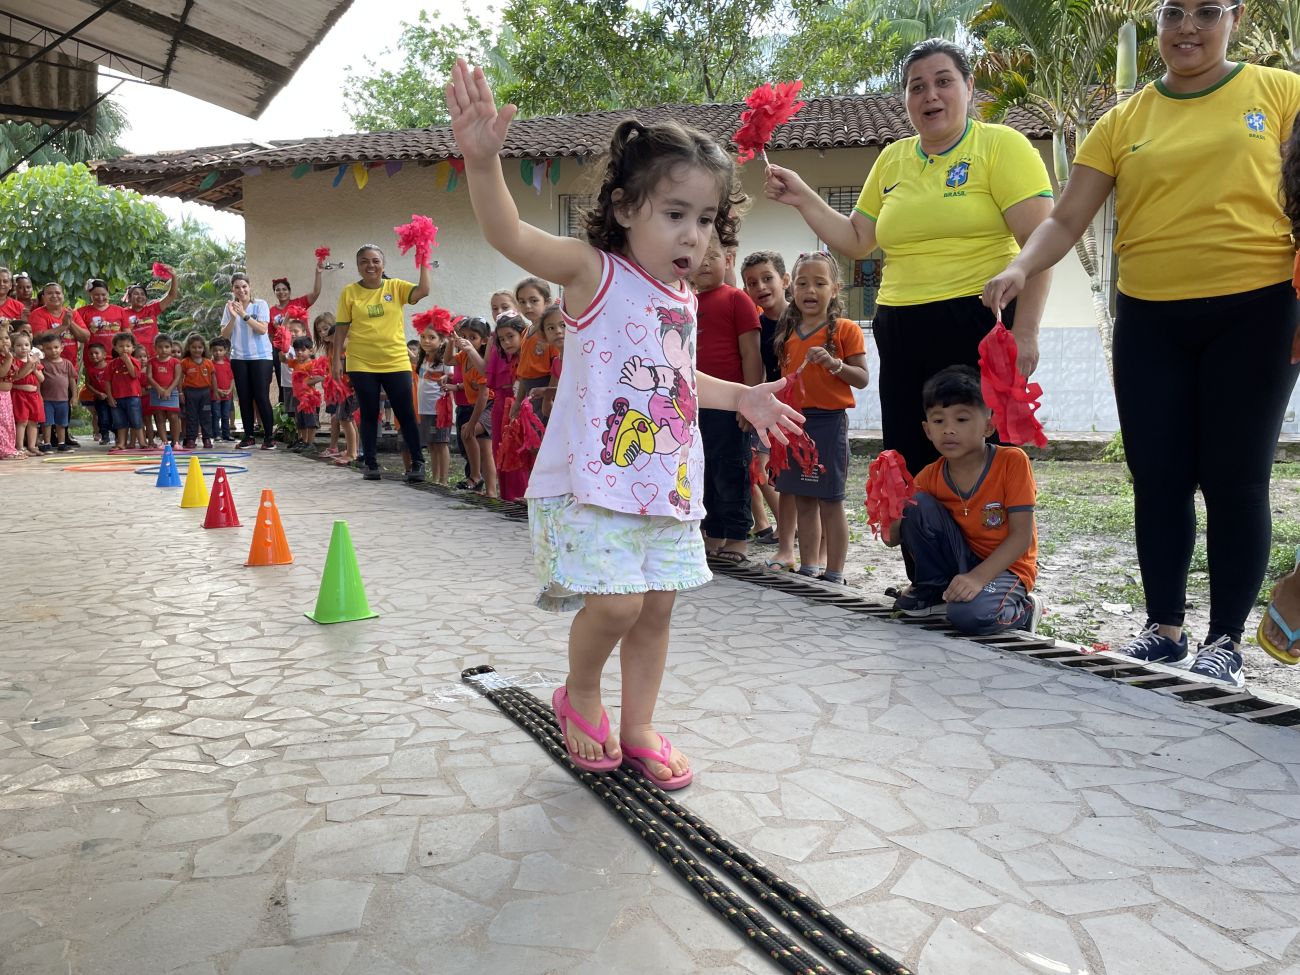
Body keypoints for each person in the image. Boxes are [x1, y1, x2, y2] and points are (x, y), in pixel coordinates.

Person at [447, 58, 801, 786]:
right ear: (626, 207)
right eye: (675, 214)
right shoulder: (594, 273)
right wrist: (483, 163)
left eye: (706, 219)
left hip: (665, 484)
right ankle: (580, 694)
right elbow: (508, 232)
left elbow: (677, 380)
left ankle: (638, 724)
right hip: (595, 483)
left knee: (656, 609)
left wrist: (743, 397)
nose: (693, 234)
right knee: (616, 606)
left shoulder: (682, 298)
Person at [983, 2, 1300, 688]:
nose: (1188, 27)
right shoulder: (1123, 120)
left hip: (1258, 309)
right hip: (1150, 318)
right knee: (1157, 477)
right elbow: (1066, 218)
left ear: (1236, 18)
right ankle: (1164, 630)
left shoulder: (1280, 92)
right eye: (1172, 13)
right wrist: (1021, 266)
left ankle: (1224, 640)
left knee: (1236, 477)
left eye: (1207, 12)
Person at [765, 38, 1053, 477]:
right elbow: (857, 238)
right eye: (917, 87)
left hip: (977, 320)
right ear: (905, 99)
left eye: (943, 82)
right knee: (911, 458)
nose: (930, 95)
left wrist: (1026, 332)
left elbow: (1040, 244)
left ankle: (987, 526)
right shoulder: (892, 159)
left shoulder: (1002, 146)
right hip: (900, 325)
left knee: (979, 461)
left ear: (969, 87)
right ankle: (918, 527)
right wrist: (803, 196)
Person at [885, 366, 1043, 633]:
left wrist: (978, 577)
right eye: (939, 421)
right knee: (916, 503)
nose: (948, 430)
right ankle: (933, 591)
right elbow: (892, 540)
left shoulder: (1011, 462)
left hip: (1008, 567)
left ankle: (1025, 610)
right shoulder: (929, 476)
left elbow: (1021, 537)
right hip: (962, 561)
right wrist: (889, 501)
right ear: (927, 430)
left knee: (969, 615)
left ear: (988, 426)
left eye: (961, 419)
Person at [772, 252, 868, 584]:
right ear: (792, 289)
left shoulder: (846, 329)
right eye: (802, 283)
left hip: (829, 423)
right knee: (803, 499)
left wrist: (834, 364)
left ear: (835, 289)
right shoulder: (788, 332)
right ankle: (809, 567)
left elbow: (862, 378)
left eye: (819, 283)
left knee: (830, 500)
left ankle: (835, 572)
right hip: (795, 423)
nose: (810, 290)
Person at [330, 245, 431, 482]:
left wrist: (424, 258)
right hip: (361, 362)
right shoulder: (349, 292)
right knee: (369, 412)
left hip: (396, 360)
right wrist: (336, 360)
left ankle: (417, 463)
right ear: (358, 266)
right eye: (364, 261)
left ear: (383, 264)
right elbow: (342, 328)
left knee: (405, 412)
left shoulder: (395, 287)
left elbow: (423, 290)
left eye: (375, 261)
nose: (370, 265)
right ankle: (371, 463)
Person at [692, 233, 762, 564]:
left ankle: (737, 537)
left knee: (730, 470)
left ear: (728, 260)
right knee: (702, 470)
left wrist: (749, 401)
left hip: (730, 406)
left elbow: (751, 354)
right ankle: (713, 533)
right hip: (693, 405)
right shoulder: (686, 302)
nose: (705, 263)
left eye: (713, 256)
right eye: (698, 256)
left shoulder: (737, 299)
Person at [740, 250, 789, 555]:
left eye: (767, 278)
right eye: (752, 282)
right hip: (769, 409)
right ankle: (785, 527)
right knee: (764, 467)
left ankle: (808, 535)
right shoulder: (756, 326)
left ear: (785, 280)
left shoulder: (801, 318)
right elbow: (756, 367)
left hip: (803, 409)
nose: (760, 287)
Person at [219, 273, 275, 450]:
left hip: (261, 357)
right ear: (232, 289)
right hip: (239, 358)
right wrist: (233, 316)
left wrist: (243, 314)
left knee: (261, 396)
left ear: (249, 287)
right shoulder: (229, 307)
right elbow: (225, 335)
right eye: (237, 287)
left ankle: (269, 437)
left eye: (244, 286)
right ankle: (248, 436)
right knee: (244, 398)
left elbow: (262, 330)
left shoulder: (260, 304)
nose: (241, 290)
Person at [450, 317, 496, 495]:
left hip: (489, 405)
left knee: (466, 431)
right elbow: (448, 360)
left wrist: (472, 423)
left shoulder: (480, 362)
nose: (466, 340)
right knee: (485, 450)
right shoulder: (464, 356)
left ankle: (475, 476)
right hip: (477, 405)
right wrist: (450, 341)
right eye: (463, 336)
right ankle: (490, 492)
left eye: (472, 337)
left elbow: (484, 395)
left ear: (484, 340)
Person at [270, 261, 325, 408]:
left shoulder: (299, 302)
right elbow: (271, 335)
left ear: (289, 291)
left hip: (304, 348)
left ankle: (311, 411)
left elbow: (316, 293)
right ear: (274, 292)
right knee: (287, 385)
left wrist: (318, 273)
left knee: (308, 382)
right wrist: (276, 352)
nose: (281, 292)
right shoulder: (271, 311)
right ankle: (291, 415)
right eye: (277, 290)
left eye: (284, 289)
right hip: (285, 351)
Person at [486, 313, 525, 499]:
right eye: (502, 339)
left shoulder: (530, 354)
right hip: (501, 406)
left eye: (511, 336)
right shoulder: (501, 355)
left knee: (518, 451)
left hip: (520, 407)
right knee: (501, 450)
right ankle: (507, 497)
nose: (507, 342)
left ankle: (521, 495)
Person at [415, 318, 455, 485]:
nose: (426, 341)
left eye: (431, 337)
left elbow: (451, 376)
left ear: (442, 340)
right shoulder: (423, 358)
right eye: (423, 337)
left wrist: (445, 378)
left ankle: (443, 480)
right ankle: (435, 478)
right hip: (425, 409)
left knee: (441, 443)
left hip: (439, 409)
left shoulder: (445, 359)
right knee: (431, 444)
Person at [120, 271, 178, 358]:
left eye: (142, 294)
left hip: (155, 355)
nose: (140, 296)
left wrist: (174, 276)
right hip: (135, 356)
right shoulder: (122, 313)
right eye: (136, 294)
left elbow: (171, 296)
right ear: (129, 298)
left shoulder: (152, 309)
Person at [36, 331, 76, 452]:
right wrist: (39, 395)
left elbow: (72, 381)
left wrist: (74, 396)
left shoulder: (67, 363)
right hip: (47, 400)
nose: (53, 351)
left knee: (61, 423)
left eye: (56, 347)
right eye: (48, 348)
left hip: (63, 400)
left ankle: (62, 443)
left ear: (61, 347)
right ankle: (47, 443)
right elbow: (38, 382)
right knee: (47, 423)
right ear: (43, 349)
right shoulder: (41, 364)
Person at [105, 332, 144, 452]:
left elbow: (134, 374)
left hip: (133, 396)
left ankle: (142, 442)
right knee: (120, 422)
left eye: (128, 346)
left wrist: (127, 361)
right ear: (115, 348)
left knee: (136, 420)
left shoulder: (136, 361)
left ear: (133, 348)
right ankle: (122, 443)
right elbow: (107, 381)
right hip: (117, 397)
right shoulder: (111, 364)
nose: (124, 349)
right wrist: (110, 397)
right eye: (121, 346)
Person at [73, 280, 129, 361]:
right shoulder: (81, 312)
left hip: (118, 358)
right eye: (96, 295)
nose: (100, 298)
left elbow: (127, 335)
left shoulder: (120, 310)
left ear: (108, 293)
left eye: (103, 294)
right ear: (90, 294)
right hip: (93, 359)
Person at [28, 283, 80, 370]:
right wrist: (63, 326)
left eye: (58, 293)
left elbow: (85, 337)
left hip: (71, 366)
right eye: (50, 293)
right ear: (43, 297)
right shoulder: (37, 314)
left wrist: (70, 322)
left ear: (63, 296)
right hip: (47, 368)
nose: (54, 296)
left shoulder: (71, 313)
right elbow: (38, 337)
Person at [180, 334, 217, 449]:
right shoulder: (185, 362)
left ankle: (207, 438)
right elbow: (180, 379)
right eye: (194, 347)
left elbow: (213, 378)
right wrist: (181, 393)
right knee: (191, 416)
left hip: (205, 393)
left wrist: (215, 391)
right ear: (188, 348)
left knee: (206, 416)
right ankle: (191, 438)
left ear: (204, 348)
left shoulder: (208, 362)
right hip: (190, 392)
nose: (197, 350)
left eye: (200, 347)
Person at [8, 331, 41, 456]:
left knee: (33, 422)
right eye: (19, 345)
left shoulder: (35, 361)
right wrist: (29, 367)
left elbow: (42, 379)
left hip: (33, 396)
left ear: (31, 347)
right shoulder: (13, 361)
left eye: (26, 345)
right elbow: (15, 378)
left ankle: (32, 446)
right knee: (22, 421)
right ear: (13, 347)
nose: (23, 348)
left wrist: (35, 370)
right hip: (19, 395)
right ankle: (20, 447)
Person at [147, 335, 181, 447]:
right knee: (159, 417)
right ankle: (164, 441)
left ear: (171, 347)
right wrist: (159, 389)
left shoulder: (175, 362)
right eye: (160, 347)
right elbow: (149, 377)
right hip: (156, 392)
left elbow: (177, 377)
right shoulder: (151, 362)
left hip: (172, 392)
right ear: (155, 348)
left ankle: (176, 442)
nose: (164, 350)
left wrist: (169, 390)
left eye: (166, 347)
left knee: (173, 417)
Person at [83, 342, 112, 446]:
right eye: (91, 354)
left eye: (96, 353)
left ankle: (119, 436)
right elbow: (88, 384)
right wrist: (98, 393)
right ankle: (104, 436)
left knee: (115, 416)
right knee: (102, 417)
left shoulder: (110, 366)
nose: (93, 355)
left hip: (113, 397)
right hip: (99, 398)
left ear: (104, 355)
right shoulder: (89, 369)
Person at [209, 338, 235, 442]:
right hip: (215, 395)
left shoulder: (228, 365)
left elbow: (232, 378)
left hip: (227, 395)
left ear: (225, 351)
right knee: (216, 415)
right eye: (215, 350)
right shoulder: (210, 364)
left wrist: (230, 390)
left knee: (225, 415)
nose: (218, 352)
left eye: (220, 350)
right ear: (211, 350)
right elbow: (208, 381)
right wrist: (217, 390)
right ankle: (216, 434)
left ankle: (226, 434)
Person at [0, 328, 17, 459]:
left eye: (6, 338)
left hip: (7, 395)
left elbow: (15, 376)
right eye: (0, 339)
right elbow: (1, 373)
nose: (4, 341)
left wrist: (30, 365)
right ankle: (3, 450)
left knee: (7, 423)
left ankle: (9, 447)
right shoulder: (6, 357)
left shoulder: (8, 356)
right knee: (1, 423)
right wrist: (9, 358)